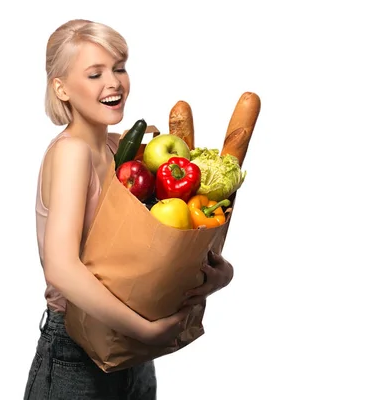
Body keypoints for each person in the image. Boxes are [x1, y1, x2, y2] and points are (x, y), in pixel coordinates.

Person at [24, 19, 234, 400]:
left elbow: (146, 251)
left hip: (128, 355)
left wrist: (218, 274)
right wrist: (145, 330)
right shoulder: (72, 153)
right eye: (94, 74)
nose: (114, 82)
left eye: (119, 68)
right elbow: (61, 266)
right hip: (77, 353)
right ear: (62, 88)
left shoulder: (121, 149)